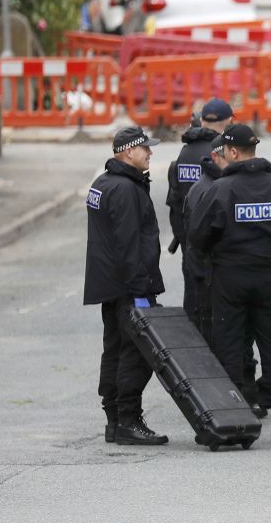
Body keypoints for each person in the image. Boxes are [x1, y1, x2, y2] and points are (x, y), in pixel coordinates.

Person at [188, 123, 271, 445]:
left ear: (233, 152)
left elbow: (198, 235)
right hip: (268, 278)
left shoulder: (221, 190)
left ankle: (237, 424)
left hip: (230, 278)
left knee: (231, 348)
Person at [83, 126, 168, 446]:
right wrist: (140, 291)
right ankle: (128, 420)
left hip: (110, 285)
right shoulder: (126, 190)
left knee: (115, 349)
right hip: (129, 287)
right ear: (128, 151)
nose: (150, 153)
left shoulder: (103, 183)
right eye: (145, 148)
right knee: (136, 353)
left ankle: (114, 420)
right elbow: (129, 245)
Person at [165, 98, 233, 320]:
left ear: (201, 120)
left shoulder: (185, 153)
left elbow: (175, 200)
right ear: (229, 121)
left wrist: (182, 237)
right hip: (215, 242)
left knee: (193, 298)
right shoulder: (221, 153)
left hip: (189, 238)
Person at [182, 136, 228, 341]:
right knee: (215, 338)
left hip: (215, 276)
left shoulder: (216, 184)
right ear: (216, 157)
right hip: (210, 278)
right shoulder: (207, 189)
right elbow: (198, 239)